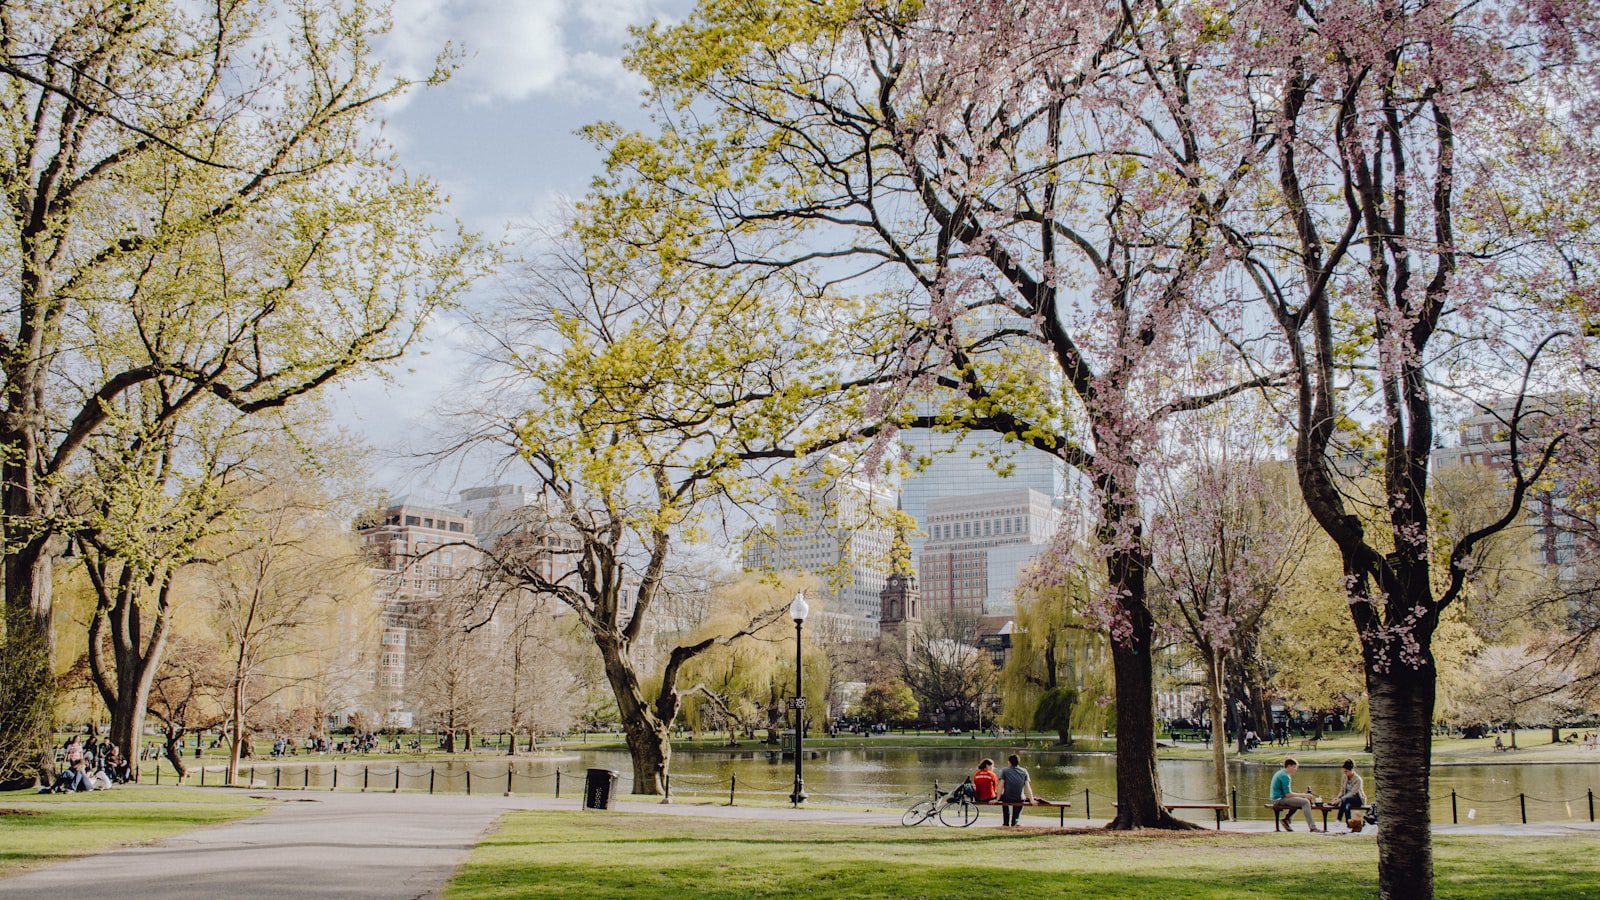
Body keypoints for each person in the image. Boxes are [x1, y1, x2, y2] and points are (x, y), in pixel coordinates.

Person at [1270, 758, 1321, 832]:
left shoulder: (1281, 773)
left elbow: (1287, 794)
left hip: (1277, 798)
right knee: (1305, 802)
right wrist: (1304, 795)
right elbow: (1288, 794)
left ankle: (1286, 820)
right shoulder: (1285, 776)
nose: (1295, 769)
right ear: (1289, 766)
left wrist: (1300, 796)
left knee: (1299, 801)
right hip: (1279, 799)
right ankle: (1312, 827)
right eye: (1294, 767)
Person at [998, 754, 1035, 827]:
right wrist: (1032, 799)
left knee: (1004, 799)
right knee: (1021, 798)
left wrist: (997, 799)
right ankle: (1015, 821)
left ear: (1009, 762)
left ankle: (1005, 822)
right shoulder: (1024, 771)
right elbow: (1027, 787)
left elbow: (1001, 786)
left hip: (1007, 798)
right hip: (1019, 798)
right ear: (1018, 762)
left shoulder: (1005, 770)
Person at [1334, 758, 1366, 824]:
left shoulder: (1358, 779)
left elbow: (1352, 793)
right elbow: (1342, 791)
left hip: (1357, 799)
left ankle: (1338, 819)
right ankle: (1349, 824)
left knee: (1345, 800)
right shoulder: (1344, 777)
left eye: (1346, 771)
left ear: (1351, 770)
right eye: (1344, 771)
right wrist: (1337, 798)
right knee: (1347, 806)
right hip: (1346, 800)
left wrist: (1340, 800)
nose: (1345, 773)